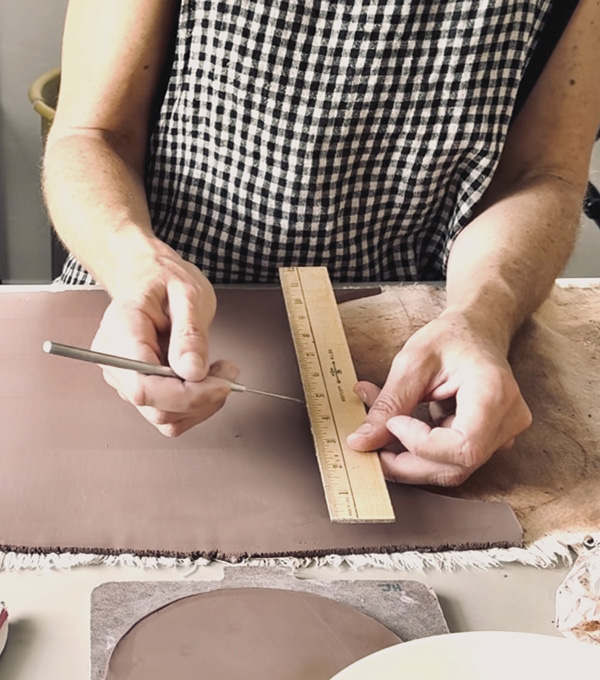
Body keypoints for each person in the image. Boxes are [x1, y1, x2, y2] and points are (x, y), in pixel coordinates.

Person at [42, 0, 600, 487]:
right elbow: (92, 134)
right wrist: (136, 263)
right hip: (150, 316)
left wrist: (482, 316)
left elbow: (540, 174)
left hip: (423, 347)